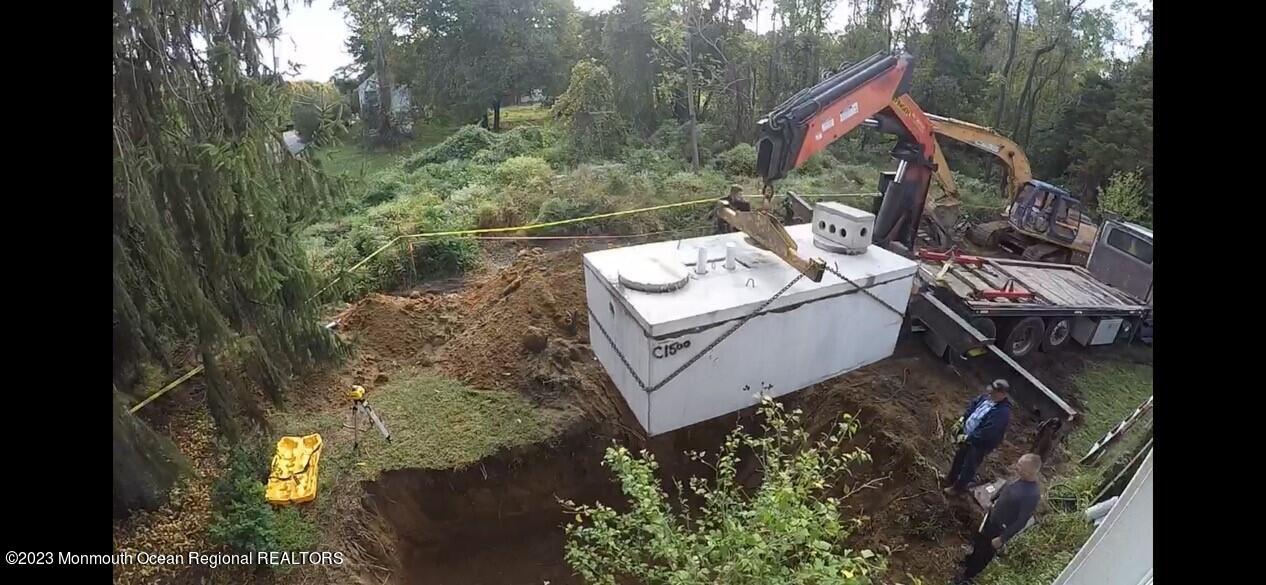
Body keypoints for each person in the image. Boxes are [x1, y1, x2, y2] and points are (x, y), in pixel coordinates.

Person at [955, 453, 1044, 584]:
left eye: (1020, 466)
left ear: (1030, 472)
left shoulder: (1032, 495)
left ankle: (967, 577)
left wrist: (1002, 538)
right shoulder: (1019, 478)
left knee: (984, 554)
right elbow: (1005, 489)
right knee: (979, 541)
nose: (1016, 466)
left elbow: (1021, 521)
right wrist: (993, 501)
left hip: (1000, 528)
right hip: (992, 517)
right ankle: (969, 560)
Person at [944, 379, 1012, 496]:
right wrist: (961, 421)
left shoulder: (1002, 413)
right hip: (968, 435)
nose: (991, 393)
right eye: (992, 390)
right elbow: (972, 407)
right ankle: (950, 478)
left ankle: (958, 488)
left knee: (969, 465)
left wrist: (967, 438)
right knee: (959, 457)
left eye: (995, 392)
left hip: (981, 443)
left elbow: (987, 432)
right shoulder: (986, 397)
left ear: (1003, 394)